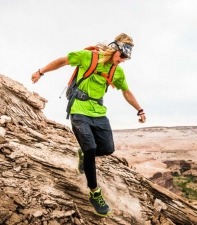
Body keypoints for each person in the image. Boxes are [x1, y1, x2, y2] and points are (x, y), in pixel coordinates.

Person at [31, 33, 146, 216]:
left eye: (126, 58)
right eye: (122, 56)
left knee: (107, 149)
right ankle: (94, 193)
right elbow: (63, 61)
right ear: (115, 48)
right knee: (91, 149)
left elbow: (126, 91)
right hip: (79, 109)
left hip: (99, 112)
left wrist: (139, 110)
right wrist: (41, 72)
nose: (123, 60)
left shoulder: (117, 71)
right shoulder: (89, 57)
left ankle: (83, 153)